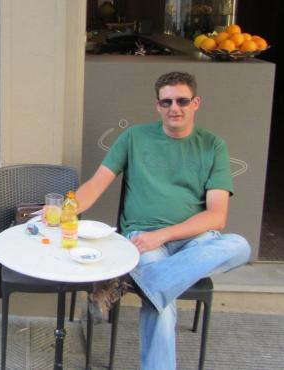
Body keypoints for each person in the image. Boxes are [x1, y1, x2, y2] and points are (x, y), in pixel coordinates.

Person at [75, 71, 251, 370]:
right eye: (166, 101)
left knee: (240, 246)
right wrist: (63, 210)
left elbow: (217, 216)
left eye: (182, 100)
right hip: (144, 238)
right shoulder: (134, 137)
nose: (175, 108)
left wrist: (165, 235)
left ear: (196, 103)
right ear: (158, 105)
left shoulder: (213, 146)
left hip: (195, 241)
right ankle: (150, 285)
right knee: (162, 307)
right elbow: (96, 183)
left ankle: (127, 282)